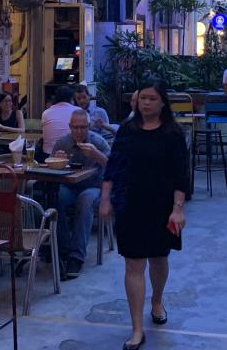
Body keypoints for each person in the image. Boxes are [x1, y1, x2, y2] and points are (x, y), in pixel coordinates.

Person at [100, 79, 188, 350]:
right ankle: (137, 328)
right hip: (130, 204)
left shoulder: (172, 133)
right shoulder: (127, 130)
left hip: (161, 206)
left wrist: (177, 208)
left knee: (159, 259)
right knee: (133, 264)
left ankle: (157, 299)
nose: (146, 103)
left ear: (162, 102)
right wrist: (105, 198)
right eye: (142, 98)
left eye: (151, 98)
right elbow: (113, 166)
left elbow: (180, 175)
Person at [52, 109, 110, 279]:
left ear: (89, 126)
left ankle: (76, 256)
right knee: (55, 197)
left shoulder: (98, 142)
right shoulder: (62, 142)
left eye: (83, 127)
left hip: (94, 186)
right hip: (69, 186)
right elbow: (50, 166)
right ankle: (62, 249)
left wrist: (96, 154)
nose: (78, 131)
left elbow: (114, 167)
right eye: (75, 127)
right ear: (70, 126)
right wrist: (57, 160)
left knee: (85, 201)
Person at [41, 85, 78, 155]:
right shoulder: (79, 112)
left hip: (48, 155)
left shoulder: (46, 113)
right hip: (72, 155)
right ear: (71, 99)